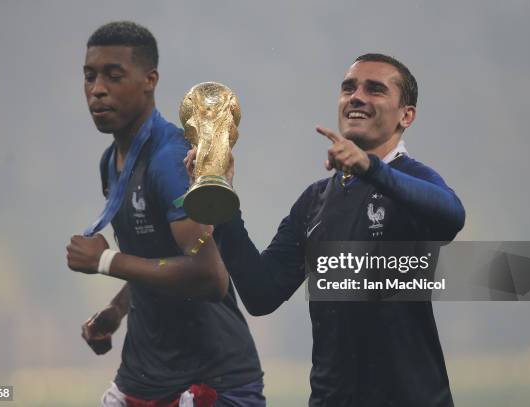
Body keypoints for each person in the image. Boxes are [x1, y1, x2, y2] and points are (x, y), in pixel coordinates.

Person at [186, 54, 465, 406]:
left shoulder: (412, 178)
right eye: (349, 88)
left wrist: (371, 167)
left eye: (375, 89)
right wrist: (221, 201)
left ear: (405, 115)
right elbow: (261, 293)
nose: (357, 96)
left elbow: (452, 215)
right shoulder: (315, 200)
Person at [66, 21, 264, 407]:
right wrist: (118, 308)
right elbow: (159, 255)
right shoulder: (113, 160)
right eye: (90, 76)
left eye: (113, 75)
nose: (97, 89)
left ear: (149, 80)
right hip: (144, 377)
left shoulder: (170, 160)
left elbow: (209, 277)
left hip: (210, 382)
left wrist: (106, 260)